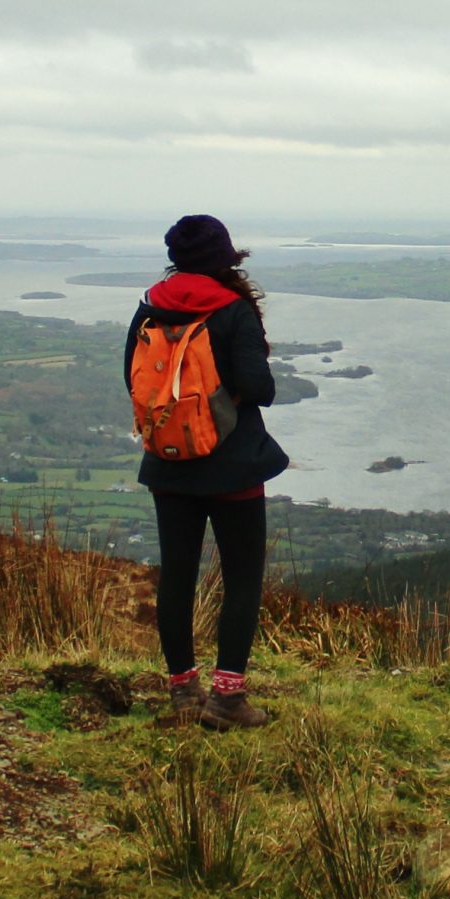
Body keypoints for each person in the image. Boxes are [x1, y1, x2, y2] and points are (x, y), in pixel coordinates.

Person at [123, 214, 289, 730]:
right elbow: (259, 388)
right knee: (241, 578)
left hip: (168, 463)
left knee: (177, 576)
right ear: (225, 257)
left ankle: (182, 690)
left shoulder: (150, 307)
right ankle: (227, 699)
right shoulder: (233, 309)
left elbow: (133, 377)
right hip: (233, 466)